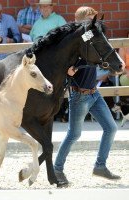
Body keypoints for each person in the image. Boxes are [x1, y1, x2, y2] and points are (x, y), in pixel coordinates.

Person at [54, 6, 122, 186]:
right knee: (73, 135)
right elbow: (65, 61)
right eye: (91, 21)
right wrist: (67, 70)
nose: (95, 24)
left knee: (111, 128)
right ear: (81, 21)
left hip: (94, 93)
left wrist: (110, 65)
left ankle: (100, 166)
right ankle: (57, 169)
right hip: (79, 95)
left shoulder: (90, 39)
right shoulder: (78, 40)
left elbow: (98, 51)